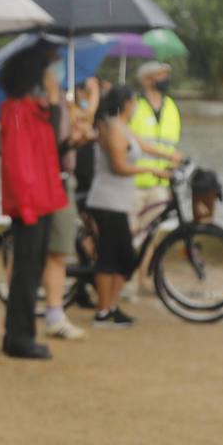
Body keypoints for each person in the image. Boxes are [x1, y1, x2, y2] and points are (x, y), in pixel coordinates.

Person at [0, 43, 67, 359]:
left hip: (43, 200)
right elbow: (18, 163)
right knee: (26, 272)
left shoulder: (32, 109)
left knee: (32, 269)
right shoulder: (16, 111)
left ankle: (21, 334)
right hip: (32, 204)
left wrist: (54, 99)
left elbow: (51, 142)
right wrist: (26, 207)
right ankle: (19, 337)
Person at [85, 82, 175, 327]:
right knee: (112, 257)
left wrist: (170, 156)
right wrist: (151, 170)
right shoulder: (113, 128)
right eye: (134, 102)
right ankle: (103, 312)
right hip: (106, 202)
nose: (136, 106)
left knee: (124, 257)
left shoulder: (122, 127)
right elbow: (119, 166)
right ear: (127, 104)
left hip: (118, 203)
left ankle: (112, 307)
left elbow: (143, 146)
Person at [38, 60, 92, 340]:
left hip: (63, 180)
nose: (58, 72)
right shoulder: (38, 102)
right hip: (43, 183)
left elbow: (61, 146)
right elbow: (46, 146)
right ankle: (23, 306)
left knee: (59, 251)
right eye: (53, 67)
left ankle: (55, 314)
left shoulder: (62, 99)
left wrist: (75, 140)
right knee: (34, 251)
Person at [128, 59, 183, 295]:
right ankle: (125, 279)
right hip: (134, 182)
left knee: (149, 234)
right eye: (160, 75)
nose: (164, 80)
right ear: (147, 79)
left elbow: (173, 144)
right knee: (130, 232)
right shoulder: (134, 106)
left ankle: (143, 279)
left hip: (160, 182)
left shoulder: (171, 106)